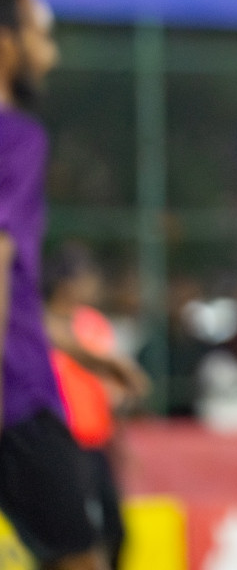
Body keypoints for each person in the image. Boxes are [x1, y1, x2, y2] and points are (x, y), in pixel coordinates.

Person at [0, 0, 116, 570]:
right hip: (16, 400)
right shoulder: (16, 137)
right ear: (5, 45)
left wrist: (77, 349)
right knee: (78, 559)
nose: (51, 55)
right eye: (42, 36)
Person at [45, 244, 149, 570]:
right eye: (87, 276)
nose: (94, 283)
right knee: (69, 536)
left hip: (97, 444)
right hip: (61, 442)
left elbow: (107, 390)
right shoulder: (38, 326)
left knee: (114, 531)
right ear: (67, 283)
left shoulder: (93, 322)